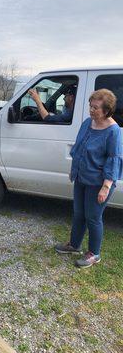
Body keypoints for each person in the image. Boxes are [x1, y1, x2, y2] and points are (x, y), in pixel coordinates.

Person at [55, 89, 123, 268]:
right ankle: (74, 245)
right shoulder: (87, 123)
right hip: (81, 177)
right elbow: (79, 147)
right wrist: (74, 170)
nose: (91, 110)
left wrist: (106, 186)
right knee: (78, 213)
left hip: (99, 182)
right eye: (90, 106)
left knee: (93, 217)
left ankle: (94, 253)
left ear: (107, 110)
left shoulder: (113, 131)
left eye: (96, 108)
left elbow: (114, 159)